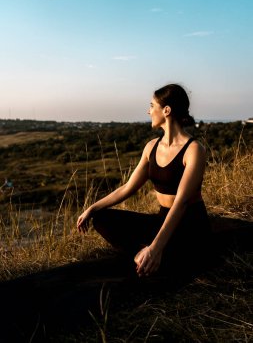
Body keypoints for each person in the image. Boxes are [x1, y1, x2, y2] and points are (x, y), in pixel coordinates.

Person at [77, 84, 212, 277]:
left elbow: (181, 203)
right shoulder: (151, 147)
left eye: (151, 105)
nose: (148, 111)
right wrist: (92, 208)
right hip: (162, 219)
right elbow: (127, 188)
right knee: (101, 219)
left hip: (188, 226)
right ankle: (145, 254)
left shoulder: (194, 149)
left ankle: (155, 254)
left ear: (166, 110)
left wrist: (156, 247)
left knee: (167, 260)